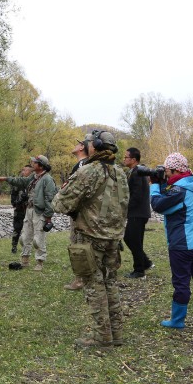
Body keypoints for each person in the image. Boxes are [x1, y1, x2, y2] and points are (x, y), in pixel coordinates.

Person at [52, 130, 129, 347]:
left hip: (90, 238)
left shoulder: (88, 172)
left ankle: (101, 336)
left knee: (94, 285)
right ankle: (116, 333)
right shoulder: (120, 173)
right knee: (110, 283)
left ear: (94, 146)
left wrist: (62, 193)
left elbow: (61, 204)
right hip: (114, 238)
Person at [149, 152, 193, 333]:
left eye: (167, 171)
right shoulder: (192, 184)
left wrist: (155, 185)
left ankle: (177, 320)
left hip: (182, 244)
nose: (166, 174)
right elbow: (172, 205)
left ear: (174, 170)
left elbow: (158, 205)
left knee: (181, 282)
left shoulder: (178, 190)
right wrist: (164, 185)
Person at [0, 155, 57, 271]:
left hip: (40, 212)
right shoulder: (33, 177)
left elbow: (50, 199)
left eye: (34, 162)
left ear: (40, 165)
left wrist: (48, 217)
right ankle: (25, 260)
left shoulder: (48, 179)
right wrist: (6, 179)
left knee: (38, 238)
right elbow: (21, 181)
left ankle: (40, 262)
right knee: (25, 237)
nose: (32, 163)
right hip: (29, 210)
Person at [122, 147, 154, 278]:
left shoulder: (137, 173)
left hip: (138, 212)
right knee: (134, 240)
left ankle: (139, 270)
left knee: (131, 239)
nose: (124, 159)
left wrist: (126, 208)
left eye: (126, 157)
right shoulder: (134, 171)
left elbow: (137, 195)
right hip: (138, 212)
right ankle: (145, 263)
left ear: (133, 159)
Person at [63, 138, 89, 291]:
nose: (75, 144)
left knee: (78, 244)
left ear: (81, 148)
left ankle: (80, 280)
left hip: (80, 213)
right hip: (80, 212)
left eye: (78, 143)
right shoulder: (81, 164)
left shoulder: (83, 164)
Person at [9, 165, 33, 253]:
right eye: (23, 170)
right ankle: (14, 246)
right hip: (19, 210)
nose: (23, 172)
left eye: (25, 170)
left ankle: (27, 245)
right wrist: (20, 200)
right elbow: (13, 200)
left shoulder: (33, 182)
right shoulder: (17, 183)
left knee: (30, 229)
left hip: (30, 209)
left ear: (30, 172)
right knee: (17, 228)